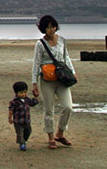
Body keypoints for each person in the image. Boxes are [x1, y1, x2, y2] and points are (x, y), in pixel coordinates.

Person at [32, 15, 75, 149]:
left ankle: (60, 133)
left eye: (53, 27)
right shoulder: (40, 44)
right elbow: (36, 63)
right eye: (48, 27)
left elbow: (65, 57)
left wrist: (72, 72)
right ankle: (51, 137)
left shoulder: (62, 40)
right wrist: (34, 83)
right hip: (47, 79)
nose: (51, 30)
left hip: (62, 78)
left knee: (68, 107)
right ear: (43, 29)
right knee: (49, 109)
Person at [9, 80, 39, 151]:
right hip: (18, 122)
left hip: (26, 120)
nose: (23, 94)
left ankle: (23, 140)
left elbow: (33, 103)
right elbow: (11, 110)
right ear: (16, 93)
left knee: (28, 131)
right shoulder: (14, 102)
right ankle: (22, 143)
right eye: (21, 93)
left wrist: (36, 97)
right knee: (20, 133)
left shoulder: (27, 100)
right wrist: (10, 118)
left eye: (25, 92)